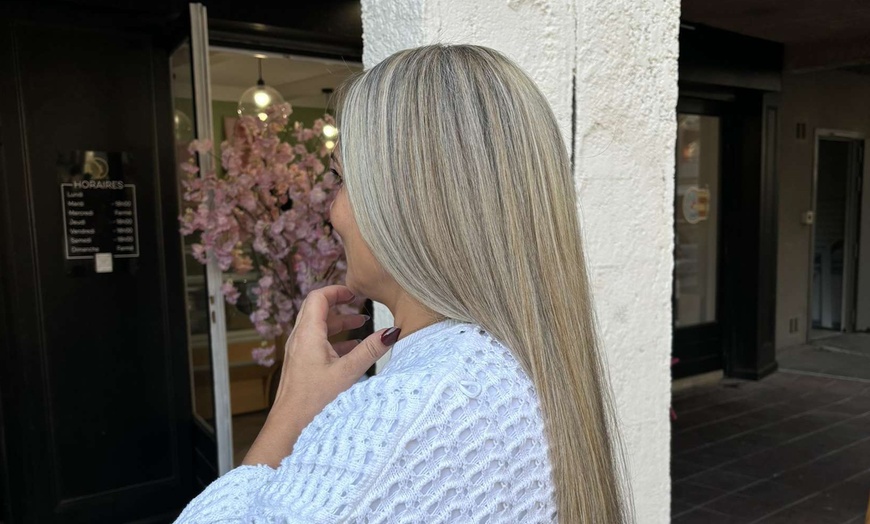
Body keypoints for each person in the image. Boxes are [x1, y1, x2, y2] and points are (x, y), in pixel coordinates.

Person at [176, 43, 631, 523]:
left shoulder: (404, 419)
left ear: (406, 203)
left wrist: (290, 413)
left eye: (341, 179)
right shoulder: (526, 364)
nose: (332, 211)